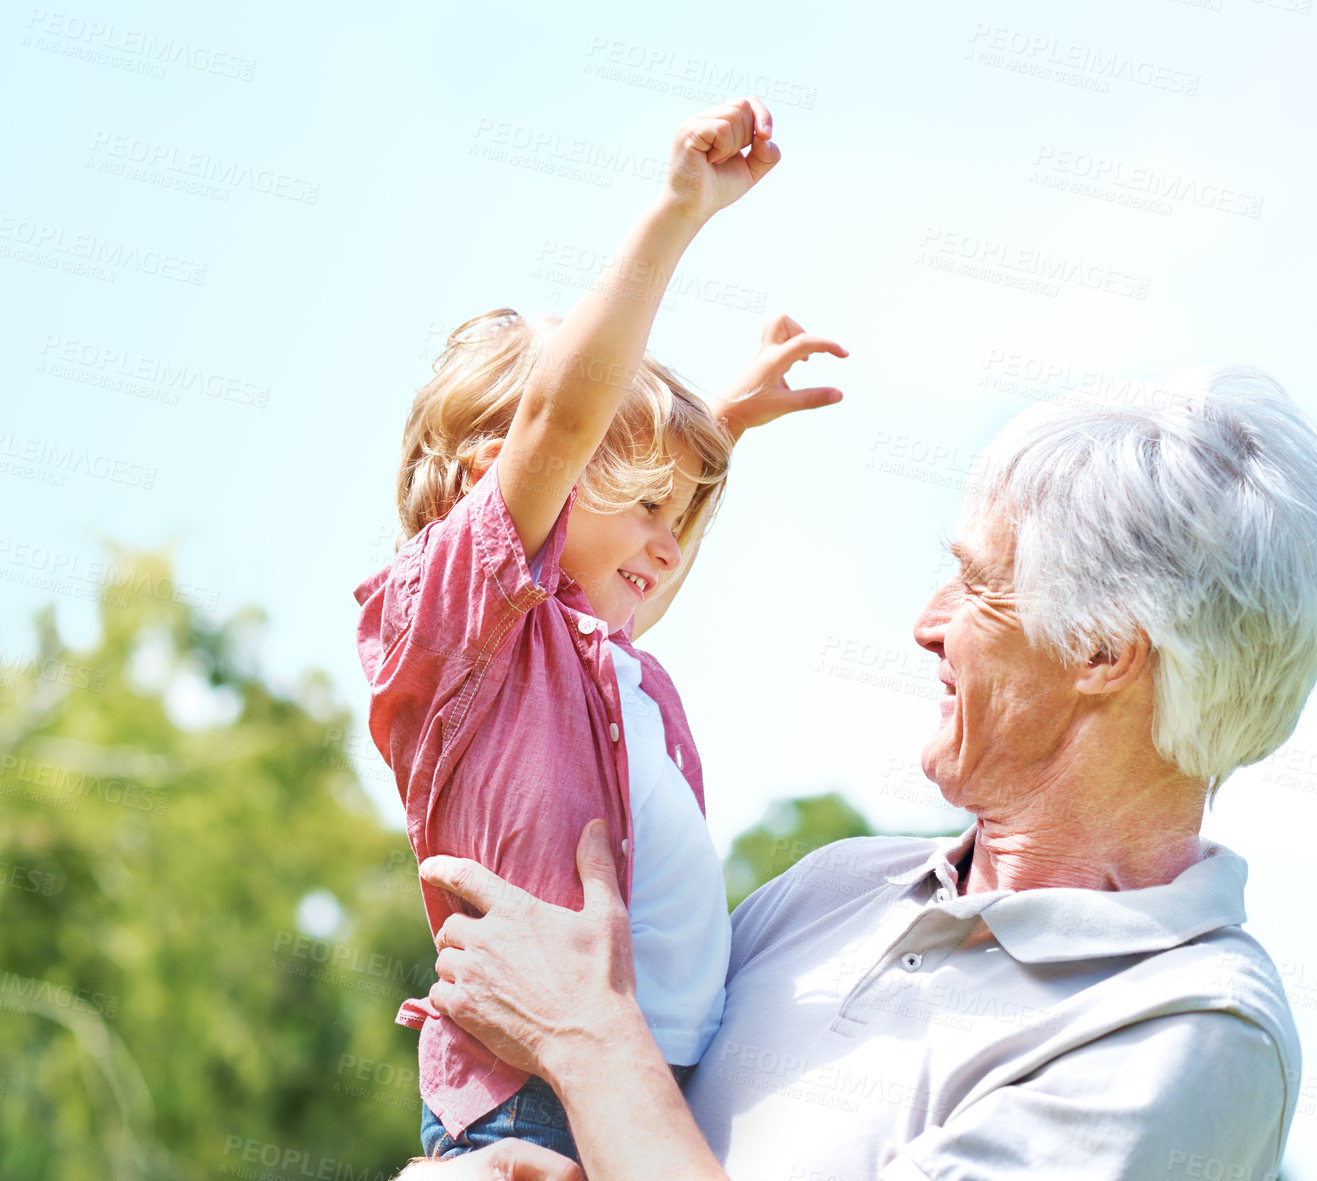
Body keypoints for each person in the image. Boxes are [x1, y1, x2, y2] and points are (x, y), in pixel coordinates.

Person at [406, 366, 1317, 1180]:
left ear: (1102, 650)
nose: (927, 622)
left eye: (979, 584)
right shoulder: (835, 889)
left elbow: (607, 1064)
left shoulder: (1189, 1031)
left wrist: (585, 1037)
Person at [352, 97, 846, 1161]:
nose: (669, 541)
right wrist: (677, 213)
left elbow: (636, 567)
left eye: (685, 513)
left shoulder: (599, 658)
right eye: (645, 503)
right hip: (531, 1088)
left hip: (645, 1076)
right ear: (505, 475)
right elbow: (559, 421)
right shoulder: (457, 629)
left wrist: (722, 432)